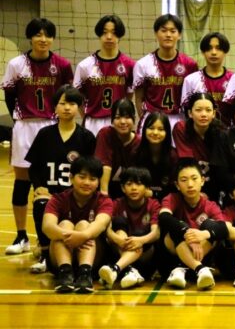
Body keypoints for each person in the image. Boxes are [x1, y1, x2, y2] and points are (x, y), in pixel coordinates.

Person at [2, 18, 74, 256]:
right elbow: (10, 96)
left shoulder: (62, 65)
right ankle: (21, 236)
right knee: (22, 181)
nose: (43, 39)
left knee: (52, 183)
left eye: (47, 35)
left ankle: (49, 240)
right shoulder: (16, 64)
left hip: (52, 125)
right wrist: (19, 120)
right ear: (30, 37)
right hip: (25, 125)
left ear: (52, 38)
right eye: (38, 34)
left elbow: (68, 95)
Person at [25, 85, 96, 273]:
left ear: (79, 107)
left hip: (75, 195)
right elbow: (33, 167)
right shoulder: (44, 135)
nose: (67, 108)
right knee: (41, 203)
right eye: (62, 103)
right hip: (51, 194)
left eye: (72, 103)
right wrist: (38, 187)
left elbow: (92, 170)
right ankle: (45, 253)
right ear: (55, 106)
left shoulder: (86, 137)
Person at [159, 159, 235, 290]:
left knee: (211, 225)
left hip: (201, 256)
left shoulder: (210, 205)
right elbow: (163, 217)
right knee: (175, 226)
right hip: (172, 262)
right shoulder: (172, 198)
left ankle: (188, 267)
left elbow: (223, 227)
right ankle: (199, 268)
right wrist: (187, 232)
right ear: (177, 185)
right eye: (184, 180)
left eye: (194, 178)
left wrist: (203, 234)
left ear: (203, 180)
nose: (190, 184)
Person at [42, 156, 113, 293]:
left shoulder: (104, 201)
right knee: (65, 224)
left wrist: (82, 235)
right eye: (82, 177)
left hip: (93, 258)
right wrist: (71, 236)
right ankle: (65, 272)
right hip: (58, 259)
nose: (87, 182)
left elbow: (101, 223)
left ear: (98, 182)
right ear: (71, 178)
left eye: (92, 179)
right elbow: (47, 226)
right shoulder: (58, 199)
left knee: (84, 224)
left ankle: (85, 274)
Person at [133, 14, 198, 130]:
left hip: (180, 119)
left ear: (179, 35)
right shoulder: (143, 64)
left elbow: (193, 98)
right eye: (163, 31)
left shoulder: (190, 64)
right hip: (152, 118)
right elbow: (139, 98)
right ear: (156, 33)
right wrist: (145, 119)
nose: (168, 35)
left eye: (173, 31)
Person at [99, 167, 160, 290]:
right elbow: (106, 228)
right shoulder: (116, 204)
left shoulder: (154, 205)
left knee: (139, 234)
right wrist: (116, 239)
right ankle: (129, 270)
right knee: (118, 222)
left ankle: (116, 269)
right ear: (123, 188)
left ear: (147, 188)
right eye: (129, 184)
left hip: (145, 259)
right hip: (120, 251)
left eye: (139, 184)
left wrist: (141, 240)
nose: (134, 188)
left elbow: (156, 233)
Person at [74, 14, 136, 137]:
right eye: (104, 32)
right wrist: (86, 117)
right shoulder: (84, 66)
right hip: (93, 122)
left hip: (119, 122)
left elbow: (129, 96)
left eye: (114, 33)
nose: (109, 37)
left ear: (119, 35)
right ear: (99, 34)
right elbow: (77, 99)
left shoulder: (130, 65)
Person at [173, 92, 230, 206]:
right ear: (190, 113)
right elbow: (187, 162)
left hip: (213, 185)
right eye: (198, 110)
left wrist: (209, 194)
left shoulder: (221, 133)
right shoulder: (181, 128)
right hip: (191, 183)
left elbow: (220, 169)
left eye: (208, 110)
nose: (203, 114)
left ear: (214, 113)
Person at [181, 32, 232, 125]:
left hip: (227, 131)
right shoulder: (191, 80)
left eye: (218, 48)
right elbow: (186, 111)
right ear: (203, 52)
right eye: (209, 48)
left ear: (225, 52)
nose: (213, 52)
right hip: (198, 132)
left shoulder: (234, 79)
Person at [95, 98, 141, 199]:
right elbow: (105, 165)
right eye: (117, 117)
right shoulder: (105, 134)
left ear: (134, 119)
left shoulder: (140, 142)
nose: (123, 122)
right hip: (106, 191)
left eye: (127, 117)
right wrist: (104, 196)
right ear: (112, 120)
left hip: (130, 195)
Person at [134, 112, 178, 201]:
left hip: (167, 201)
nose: (155, 132)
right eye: (151, 128)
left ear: (167, 132)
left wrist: (153, 194)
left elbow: (175, 188)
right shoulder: (136, 153)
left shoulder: (173, 156)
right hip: (141, 200)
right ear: (144, 130)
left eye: (161, 129)